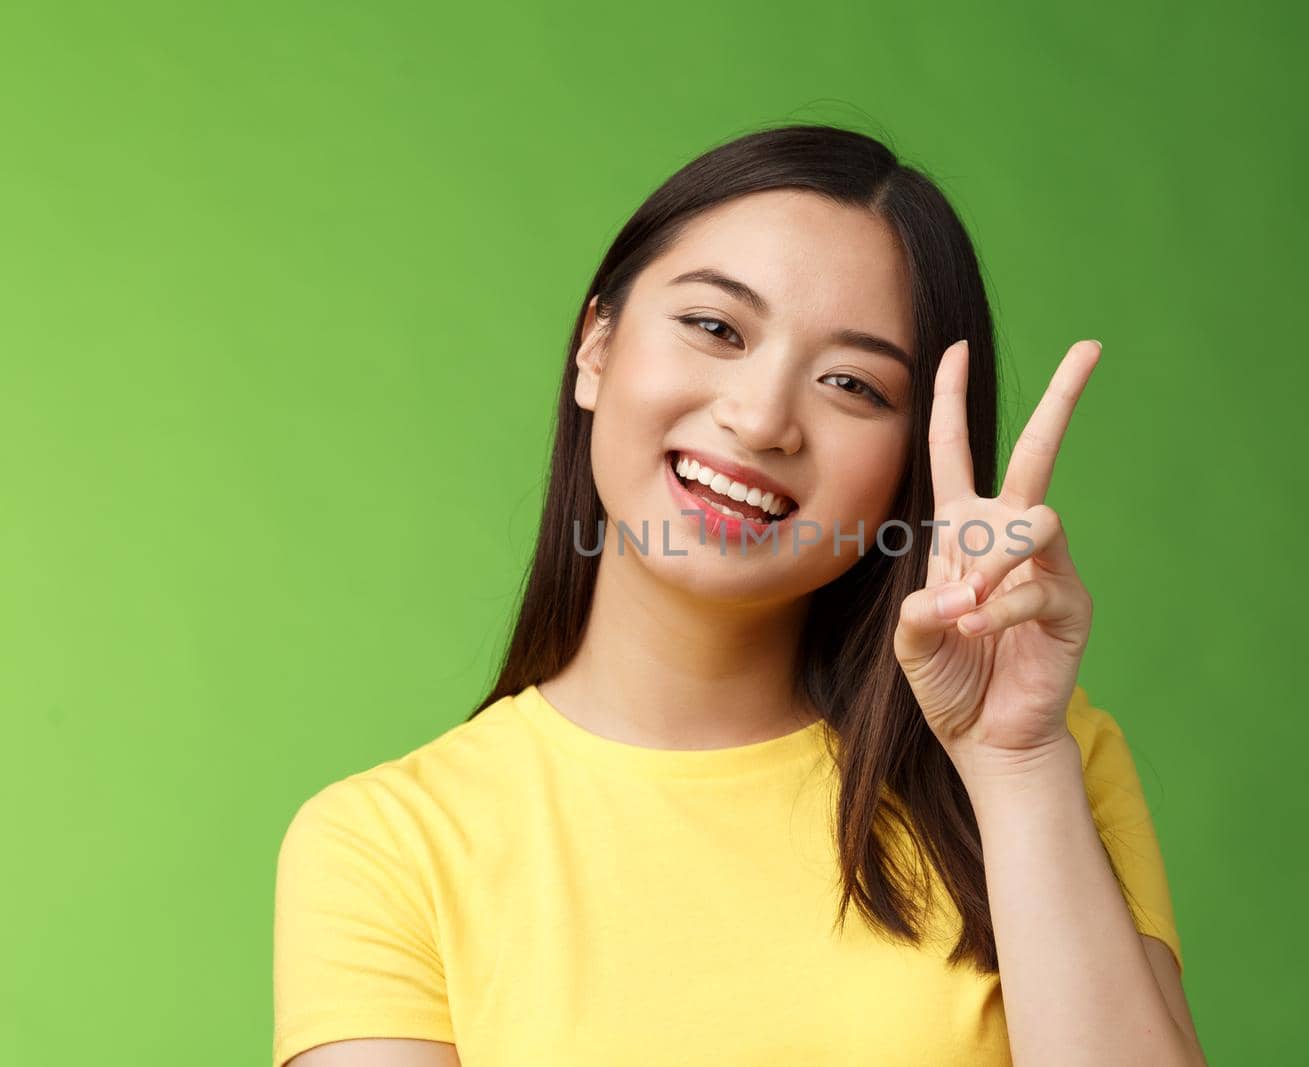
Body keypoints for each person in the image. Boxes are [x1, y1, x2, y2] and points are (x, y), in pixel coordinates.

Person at [272, 123, 1206, 1066]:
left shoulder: (1044, 757)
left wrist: (1013, 766)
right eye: (716, 328)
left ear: (907, 467)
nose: (761, 420)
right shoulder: (385, 846)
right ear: (596, 347)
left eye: (851, 383)